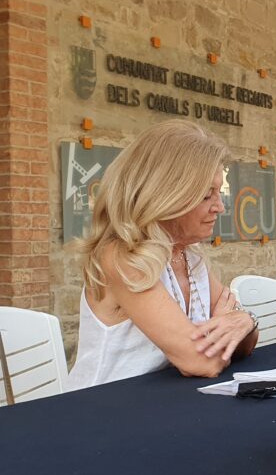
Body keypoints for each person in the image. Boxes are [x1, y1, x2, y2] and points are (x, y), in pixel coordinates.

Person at [67, 120, 259, 390]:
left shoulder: (190, 256)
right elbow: (201, 362)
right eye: (206, 196)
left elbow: (245, 343)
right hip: (104, 413)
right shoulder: (122, 256)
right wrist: (224, 327)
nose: (220, 207)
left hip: (165, 404)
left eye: (219, 193)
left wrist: (244, 320)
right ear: (166, 195)